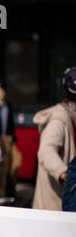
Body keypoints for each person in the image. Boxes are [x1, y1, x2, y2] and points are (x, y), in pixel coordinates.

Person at [33, 66, 76, 211]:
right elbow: (46, 152)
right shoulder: (59, 120)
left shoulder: (71, 117)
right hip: (53, 210)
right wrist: (66, 175)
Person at [0, 80, 18, 197]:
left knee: (12, 166)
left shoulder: (8, 106)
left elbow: (11, 124)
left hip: (8, 140)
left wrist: (14, 140)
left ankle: (9, 191)